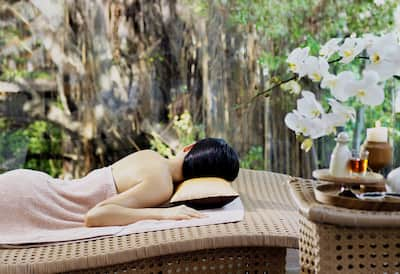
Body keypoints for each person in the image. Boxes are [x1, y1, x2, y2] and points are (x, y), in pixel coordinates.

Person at [0, 138, 239, 229]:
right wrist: (166, 215)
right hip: (32, 203)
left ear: (189, 148)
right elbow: (96, 216)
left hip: (29, 185)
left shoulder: (150, 155)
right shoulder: (161, 184)